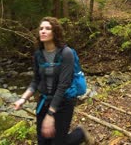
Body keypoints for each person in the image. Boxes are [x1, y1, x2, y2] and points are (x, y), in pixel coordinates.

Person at [13, 17, 93, 145]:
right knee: (43, 142)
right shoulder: (38, 54)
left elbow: (63, 85)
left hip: (64, 102)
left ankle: (80, 133)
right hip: (44, 101)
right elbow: (36, 81)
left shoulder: (66, 53)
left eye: (48, 28)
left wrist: (50, 115)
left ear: (55, 32)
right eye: (41, 28)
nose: (43, 31)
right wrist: (23, 99)